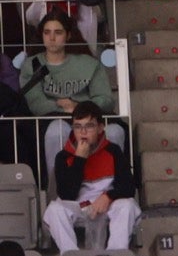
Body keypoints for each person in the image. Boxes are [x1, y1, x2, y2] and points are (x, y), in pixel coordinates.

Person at [23, 13, 121, 168]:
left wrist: (78, 108)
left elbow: (106, 99)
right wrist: (64, 109)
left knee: (115, 131)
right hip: (49, 121)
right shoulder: (31, 64)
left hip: (90, 118)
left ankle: (109, 182)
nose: (52, 38)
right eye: (47, 32)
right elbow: (36, 103)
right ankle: (57, 183)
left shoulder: (89, 63)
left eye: (58, 32)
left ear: (68, 35)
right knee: (58, 130)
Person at [44, 104, 139, 254]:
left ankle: (117, 255)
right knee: (54, 210)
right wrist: (79, 159)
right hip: (78, 205)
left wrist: (108, 196)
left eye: (89, 126)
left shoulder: (113, 151)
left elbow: (128, 187)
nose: (83, 132)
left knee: (127, 206)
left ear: (100, 128)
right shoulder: (63, 156)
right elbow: (66, 194)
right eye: (77, 127)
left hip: (106, 205)